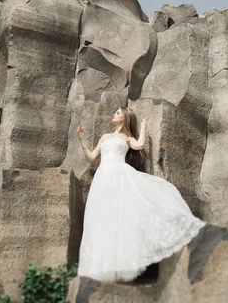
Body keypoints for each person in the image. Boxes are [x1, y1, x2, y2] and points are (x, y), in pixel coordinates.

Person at [76, 107, 205, 282]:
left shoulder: (127, 138)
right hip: (103, 177)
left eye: (118, 113)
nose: (114, 114)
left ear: (126, 118)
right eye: (114, 112)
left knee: (120, 216)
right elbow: (92, 157)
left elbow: (140, 145)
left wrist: (143, 129)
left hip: (119, 175)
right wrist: (82, 141)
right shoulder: (105, 137)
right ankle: (101, 265)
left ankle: (121, 262)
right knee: (101, 217)